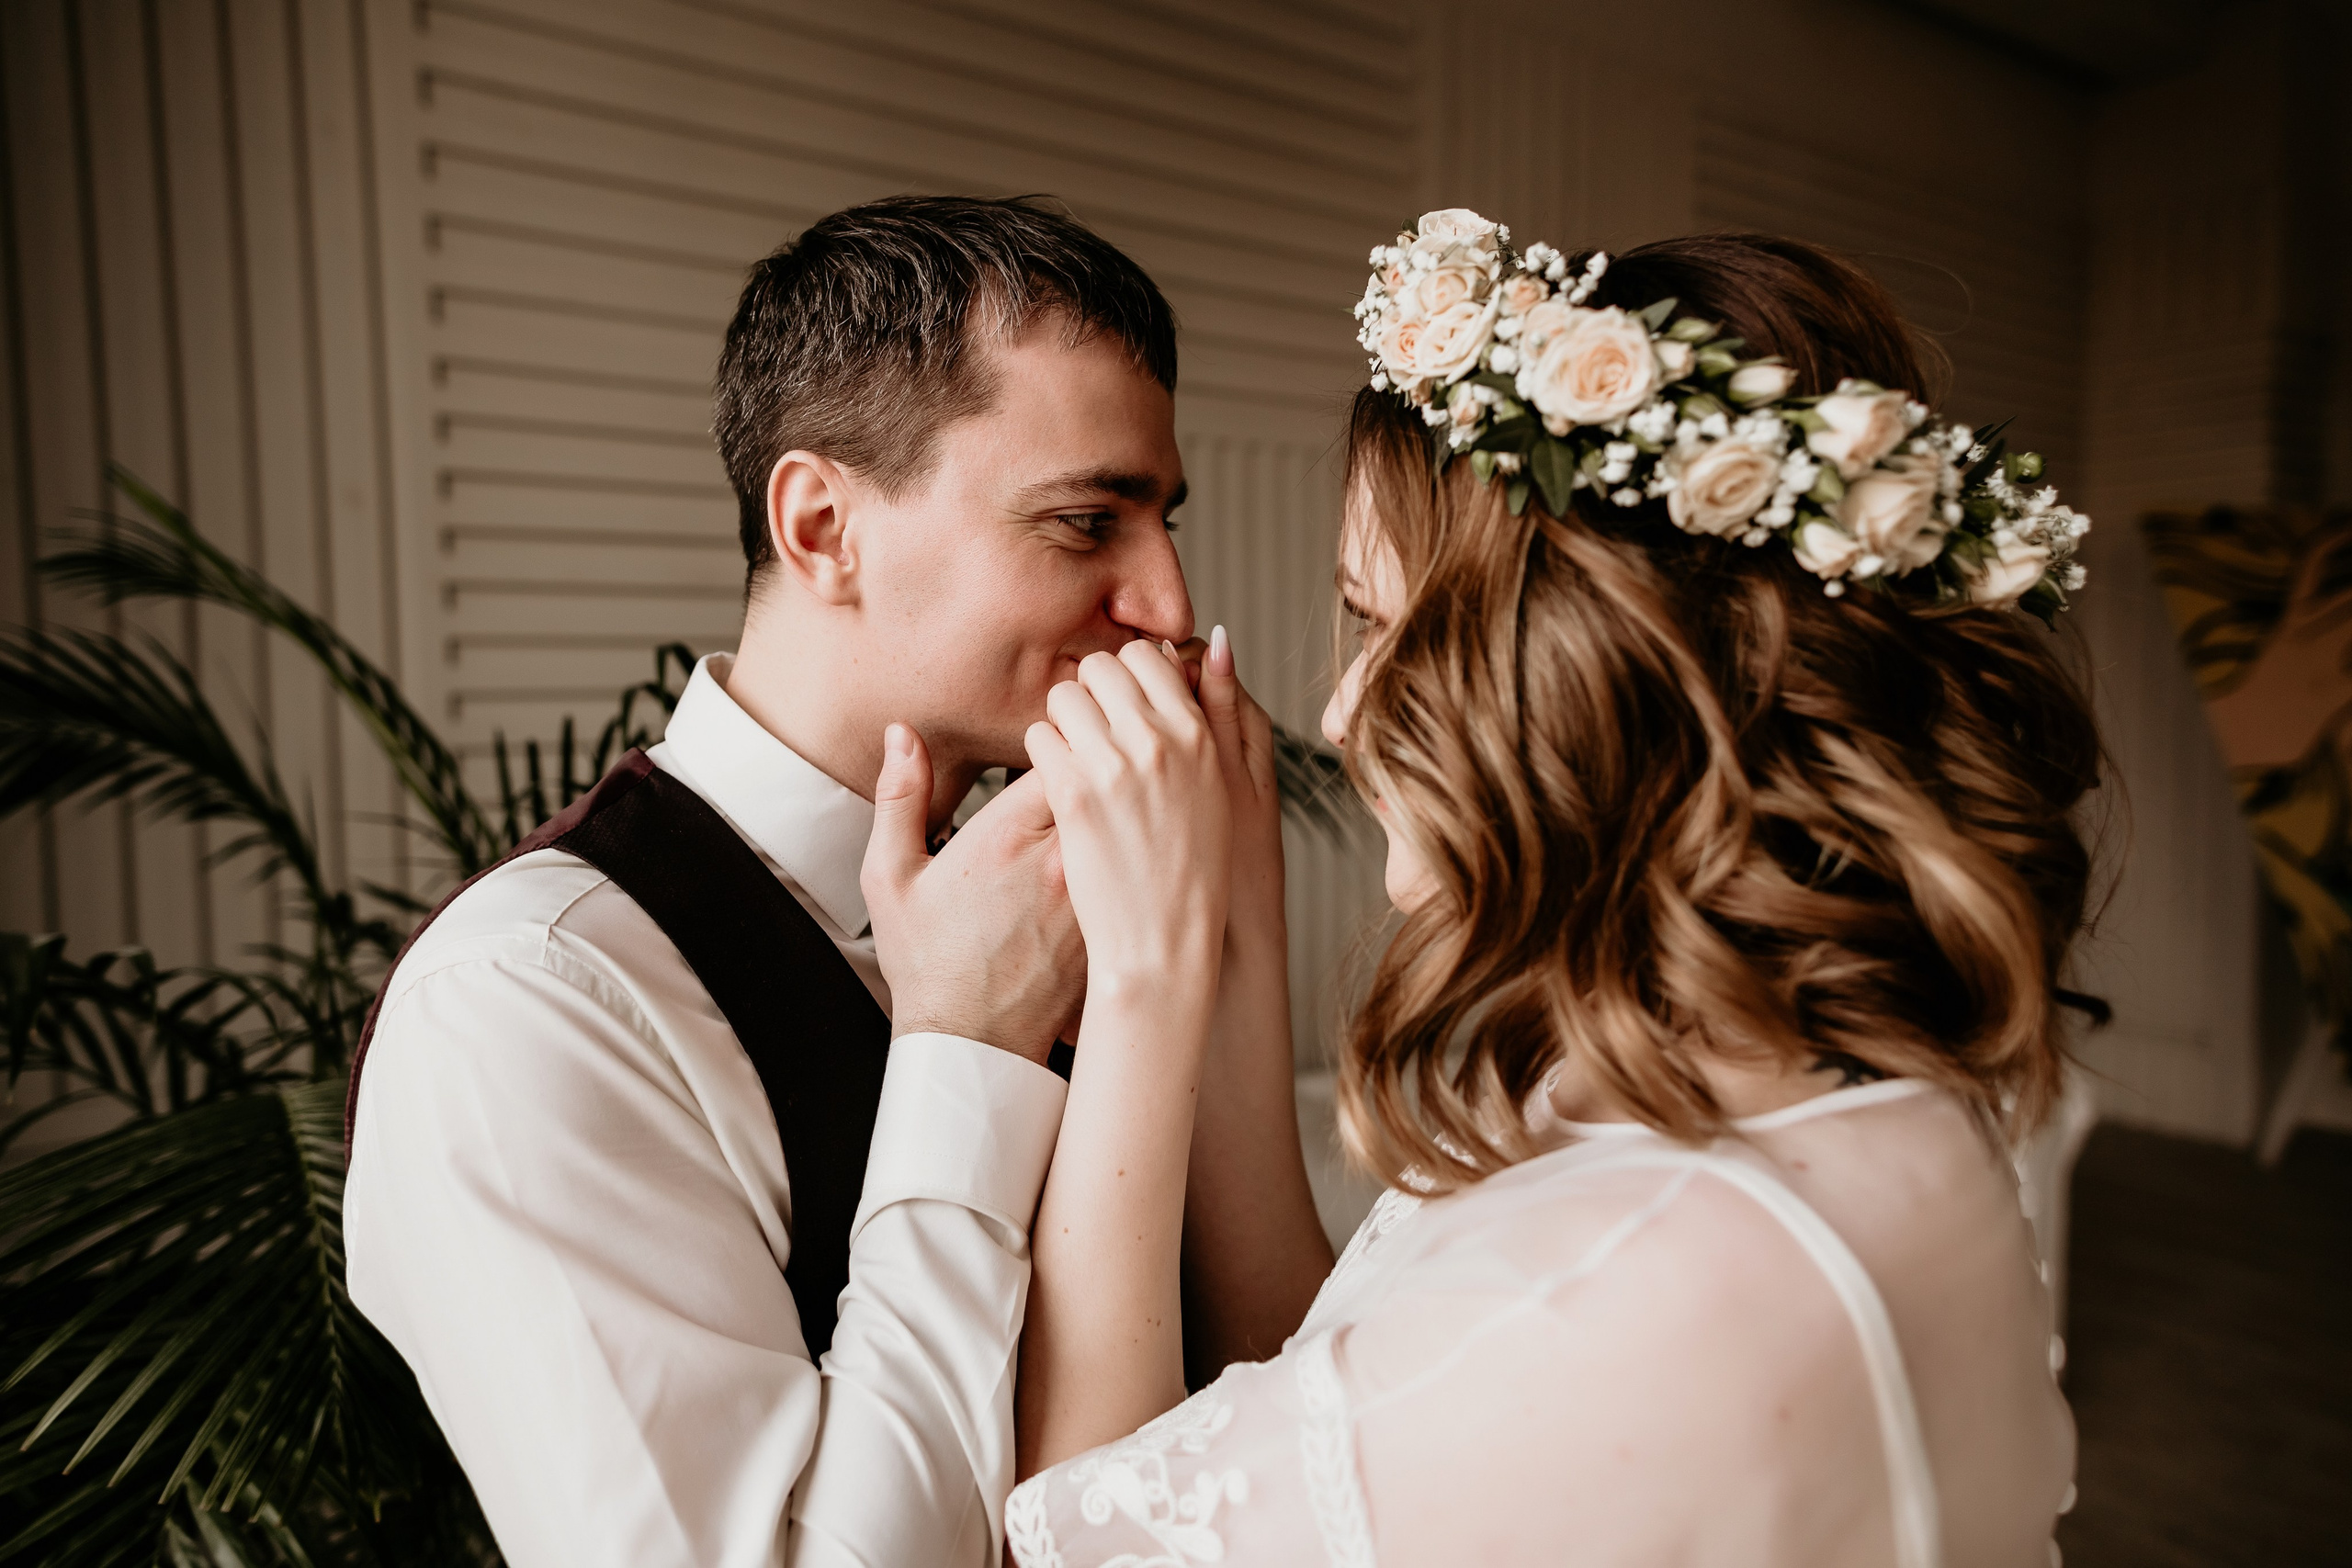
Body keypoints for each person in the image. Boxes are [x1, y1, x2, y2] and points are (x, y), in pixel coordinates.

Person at [998, 220, 2095, 1567]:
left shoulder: (1615, 1297)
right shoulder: (1794, 1103)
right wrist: (1239, 937)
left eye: (1392, 628)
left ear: (1598, 683)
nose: (1341, 709)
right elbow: (1329, 1422)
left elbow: (1082, 1532)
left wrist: (1147, 981)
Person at [341, 196, 1326, 1568]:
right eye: (1087, 519)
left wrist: (1229, 941)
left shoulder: (1113, 877)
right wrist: (963, 1051)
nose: (1166, 601)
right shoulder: (527, 1002)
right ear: (822, 529)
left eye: (1161, 517)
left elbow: (1286, 1418)